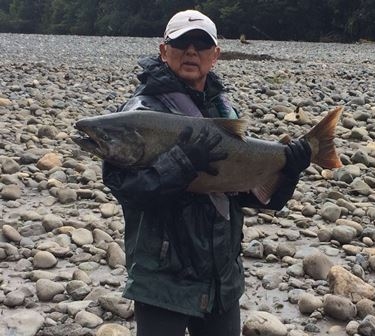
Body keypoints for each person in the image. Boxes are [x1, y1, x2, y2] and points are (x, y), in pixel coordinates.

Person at [102, 9, 311, 336]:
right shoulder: (137, 117)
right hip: (162, 282)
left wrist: (286, 170)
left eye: (201, 44)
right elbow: (131, 191)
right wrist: (183, 163)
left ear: (215, 55)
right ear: (163, 50)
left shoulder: (224, 112)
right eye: (182, 43)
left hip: (221, 282)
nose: (191, 52)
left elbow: (254, 199)